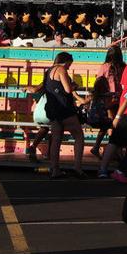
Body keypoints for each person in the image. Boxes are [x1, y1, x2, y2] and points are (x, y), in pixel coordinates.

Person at [42, 51, 85, 179]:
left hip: (52, 108)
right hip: (64, 108)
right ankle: (77, 167)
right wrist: (74, 85)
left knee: (56, 139)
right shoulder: (61, 69)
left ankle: (55, 169)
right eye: (69, 65)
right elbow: (67, 89)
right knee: (79, 136)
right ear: (66, 62)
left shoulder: (49, 70)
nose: (69, 67)